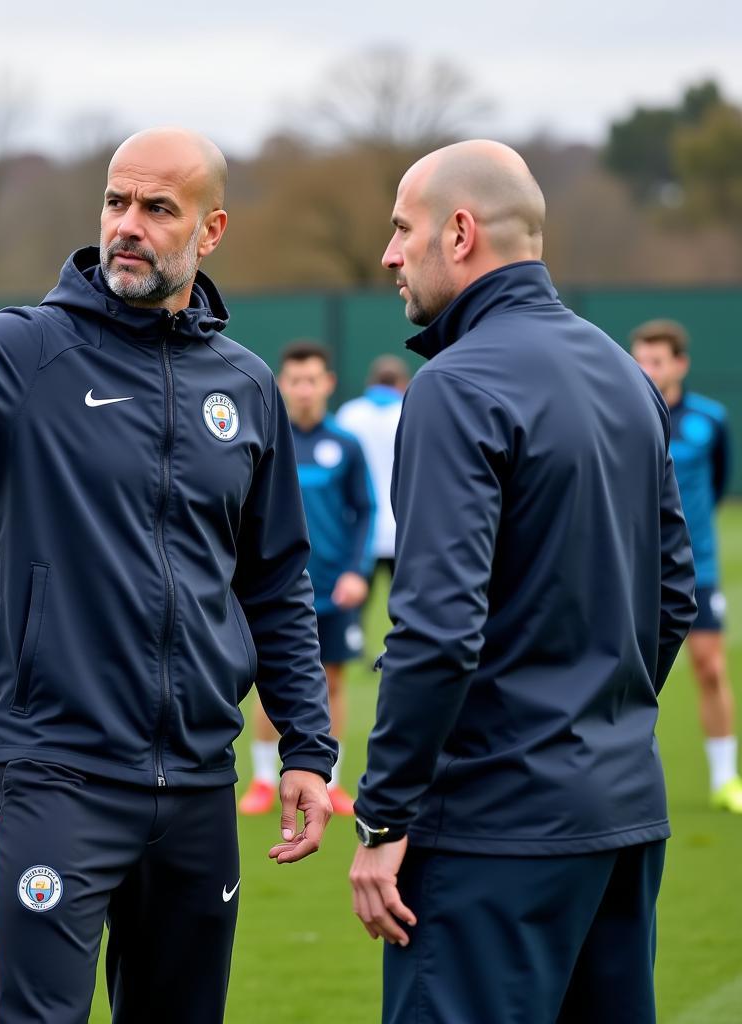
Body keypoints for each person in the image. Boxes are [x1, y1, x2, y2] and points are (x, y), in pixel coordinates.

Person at [0, 127, 335, 1024]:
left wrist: (308, 748)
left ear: (210, 232)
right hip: (52, 775)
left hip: (199, 783)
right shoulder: (31, 348)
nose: (126, 226)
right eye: (115, 201)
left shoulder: (246, 388)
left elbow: (276, 582)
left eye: (157, 208)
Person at [348, 140, 696, 1024]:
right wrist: (591, 726)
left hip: (492, 834)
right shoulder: (626, 375)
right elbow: (673, 598)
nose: (389, 254)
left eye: (402, 229)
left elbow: (436, 634)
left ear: (459, 232)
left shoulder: (454, 385)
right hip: (619, 814)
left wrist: (382, 821)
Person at [239, 341, 375, 817]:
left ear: (328, 384)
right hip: (275, 586)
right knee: (269, 678)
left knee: (331, 680)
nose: (303, 389)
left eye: (312, 379)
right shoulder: (268, 437)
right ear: (283, 384)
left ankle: (331, 780)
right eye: (294, 380)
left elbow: (365, 511)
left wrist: (358, 573)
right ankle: (260, 779)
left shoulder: (347, 445)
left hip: (334, 587)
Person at [631, 319, 741, 812]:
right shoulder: (621, 413)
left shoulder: (710, 419)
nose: (647, 370)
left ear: (680, 364)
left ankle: (725, 778)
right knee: (623, 671)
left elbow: (717, 483)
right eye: (640, 360)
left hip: (699, 566)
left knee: (710, 667)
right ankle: (621, 777)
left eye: (656, 360)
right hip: (632, 567)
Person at [335, 355, 408, 581]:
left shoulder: (349, 414)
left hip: (359, 528)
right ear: (402, 383)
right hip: (402, 526)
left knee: (353, 612)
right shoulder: (408, 411)